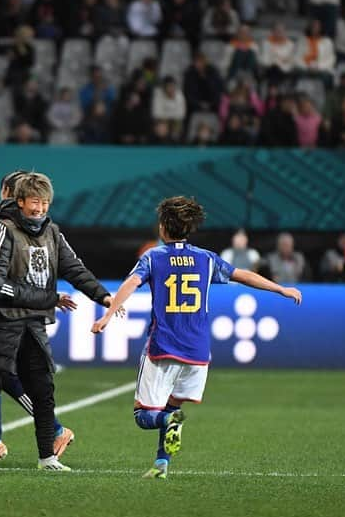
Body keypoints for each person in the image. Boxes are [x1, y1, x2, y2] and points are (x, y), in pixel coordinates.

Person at [91, 196, 302, 480]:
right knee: (173, 406)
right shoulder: (206, 258)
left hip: (163, 346)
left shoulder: (153, 256)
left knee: (145, 416)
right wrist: (281, 289)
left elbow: (131, 282)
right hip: (198, 352)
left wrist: (107, 314)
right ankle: (161, 465)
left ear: (164, 227)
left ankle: (167, 424)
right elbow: (243, 275)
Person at [0, 173, 114, 471]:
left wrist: (103, 297)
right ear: (20, 202)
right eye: (34, 201)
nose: (40, 208)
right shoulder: (3, 230)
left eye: (45, 202)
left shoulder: (53, 232)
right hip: (3, 322)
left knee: (43, 388)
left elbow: (74, 268)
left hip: (34, 323)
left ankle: (47, 456)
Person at [294, 20, 336, 87]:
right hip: (305, 68)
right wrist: (307, 67)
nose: (315, 29)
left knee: (326, 77)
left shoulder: (327, 42)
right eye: (313, 26)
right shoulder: (302, 40)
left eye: (317, 27)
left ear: (321, 28)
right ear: (310, 28)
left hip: (321, 69)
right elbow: (296, 58)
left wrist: (318, 67)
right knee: (297, 73)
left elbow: (331, 59)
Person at [151, 76, 186, 141]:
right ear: (164, 87)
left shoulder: (180, 95)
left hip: (175, 121)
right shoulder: (158, 94)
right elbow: (157, 113)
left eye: (172, 86)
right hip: (161, 121)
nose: (171, 89)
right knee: (162, 128)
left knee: (177, 129)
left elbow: (181, 114)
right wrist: (166, 120)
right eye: (169, 86)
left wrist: (168, 115)